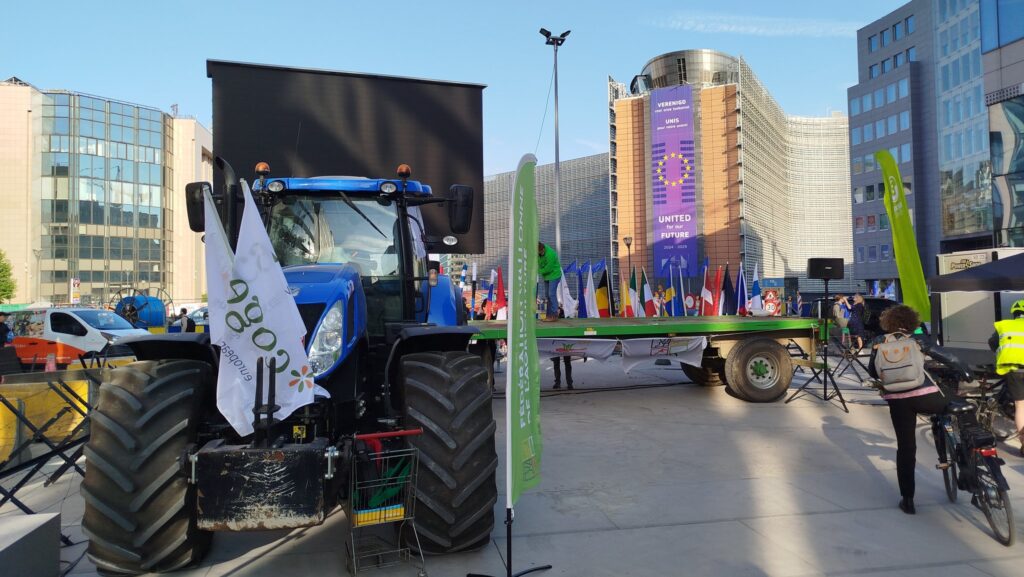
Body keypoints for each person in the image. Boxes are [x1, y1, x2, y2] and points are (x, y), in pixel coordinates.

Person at [868, 305, 947, 515]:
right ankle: (963, 463)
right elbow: (940, 357)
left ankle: (908, 499)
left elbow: (873, 372)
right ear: (912, 321)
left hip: (898, 400)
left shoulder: (879, 341)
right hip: (924, 394)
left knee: (906, 448)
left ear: (888, 323)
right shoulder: (918, 337)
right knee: (952, 407)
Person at [989, 299, 1024, 457]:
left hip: (1012, 369)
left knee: (1020, 406)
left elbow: (993, 342)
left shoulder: (1005, 325)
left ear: (1014, 313)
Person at [537, 242, 562, 322]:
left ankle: (554, 314)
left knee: (551, 294)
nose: (539, 254)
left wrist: (537, 270)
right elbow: (539, 264)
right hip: (547, 276)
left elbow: (548, 269)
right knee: (547, 295)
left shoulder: (550, 254)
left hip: (554, 275)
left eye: (540, 252)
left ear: (543, 249)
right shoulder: (538, 253)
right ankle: (549, 315)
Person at [550, 306, 573, 389]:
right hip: (558, 343)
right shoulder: (553, 317)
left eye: (559, 309)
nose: (558, 310)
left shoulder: (564, 316)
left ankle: (569, 383)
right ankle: (559, 382)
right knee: (558, 364)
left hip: (563, 343)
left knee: (566, 363)